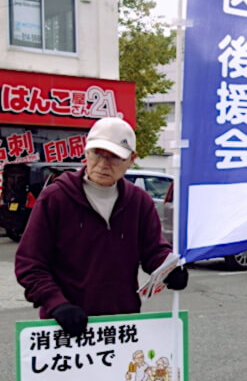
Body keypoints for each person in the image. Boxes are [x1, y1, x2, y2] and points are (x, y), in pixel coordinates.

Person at [15, 117, 188, 338]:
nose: (103, 164)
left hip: (120, 326)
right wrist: (56, 303)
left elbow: (153, 251)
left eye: (114, 157)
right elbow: (30, 263)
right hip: (64, 326)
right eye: (97, 153)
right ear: (86, 152)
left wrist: (169, 269)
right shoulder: (56, 198)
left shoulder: (139, 202)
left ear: (131, 160)